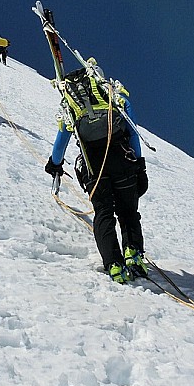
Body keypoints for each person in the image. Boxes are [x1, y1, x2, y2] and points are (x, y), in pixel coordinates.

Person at [44, 63, 149, 283]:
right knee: (128, 212)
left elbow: (61, 142)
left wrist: (55, 164)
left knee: (103, 213)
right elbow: (133, 132)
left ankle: (113, 264)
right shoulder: (113, 97)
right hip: (123, 161)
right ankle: (134, 255)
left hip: (94, 168)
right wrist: (139, 165)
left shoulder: (71, 108)